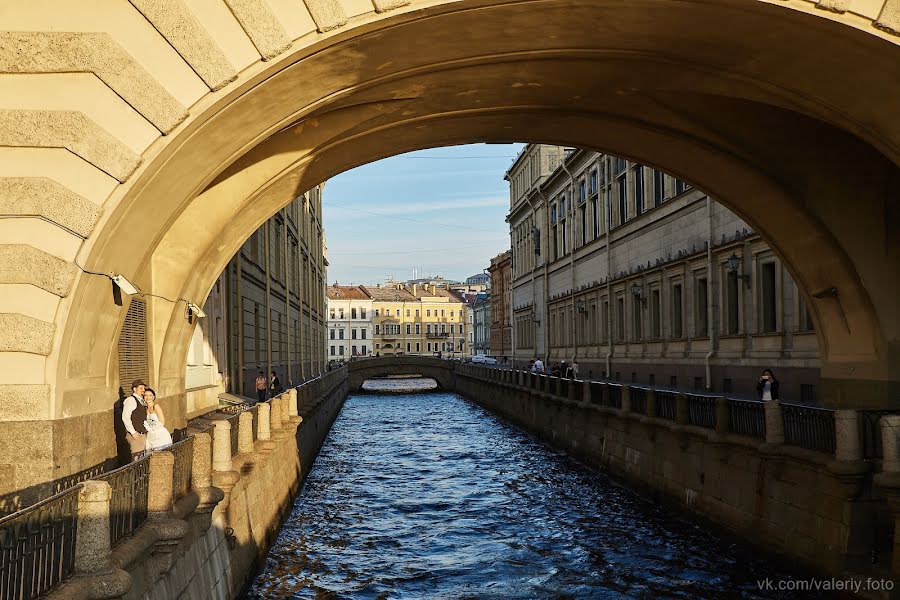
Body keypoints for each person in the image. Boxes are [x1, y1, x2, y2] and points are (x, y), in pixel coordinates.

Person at [121, 379, 148, 458]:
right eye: (141, 388)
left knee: (143, 458)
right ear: (134, 389)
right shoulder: (131, 400)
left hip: (143, 434)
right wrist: (133, 433)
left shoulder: (142, 400)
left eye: (144, 388)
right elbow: (125, 417)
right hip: (136, 435)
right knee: (137, 458)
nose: (143, 390)